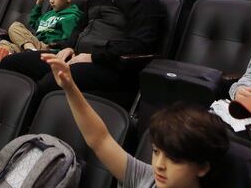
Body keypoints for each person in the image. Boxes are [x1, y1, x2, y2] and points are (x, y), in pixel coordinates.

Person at [1, 0, 163, 97]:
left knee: (52, 81)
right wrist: (69, 47)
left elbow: (140, 44)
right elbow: (80, 26)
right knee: (11, 63)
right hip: (77, 57)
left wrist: (92, 57)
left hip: (109, 67)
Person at [43, 53, 229, 188]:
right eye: (156, 151)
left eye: (174, 159)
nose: (159, 165)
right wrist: (70, 87)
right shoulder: (147, 179)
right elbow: (99, 139)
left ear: (203, 167)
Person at [0, 0, 82, 61]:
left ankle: (26, 53)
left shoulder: (71, 17)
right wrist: (38, 6)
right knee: (4, 43)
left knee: (14, 27)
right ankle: (18, 54)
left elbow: (67, 42)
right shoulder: (49, 14)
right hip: (36, 44)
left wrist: (52, 45)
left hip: (48, 49)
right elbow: (34, 24)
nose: (50, 0)